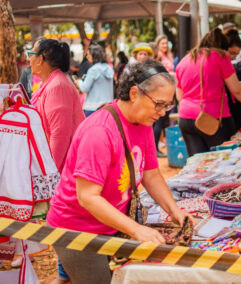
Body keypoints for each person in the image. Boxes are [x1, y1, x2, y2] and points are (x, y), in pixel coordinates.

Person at [46, 60, 195, 284]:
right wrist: (136, 230)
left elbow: (151, 174)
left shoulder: (143, 123)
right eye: (159, 104)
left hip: (111, 223)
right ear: (134, 93)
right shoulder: (99, 132)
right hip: (77, 228)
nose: (162, 113)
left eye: (167, 107)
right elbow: (87, 197)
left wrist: (175, 211)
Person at [176, 28, 241, 156]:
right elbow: (237, 90)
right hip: (214, 118)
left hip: (185, 118)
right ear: (222, 47)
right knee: (224, 160)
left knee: (197, 163)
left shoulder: (185, 60)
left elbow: (179, 96)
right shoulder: (220, 57)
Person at [29, 38, 85, 172]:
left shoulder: (57, 86)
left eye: (31, 54)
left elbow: (59, 136)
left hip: (65, 168)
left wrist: (49, 173)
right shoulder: (51, 82)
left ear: (40, 59)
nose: (28, 59)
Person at [76, 44, 114, 117]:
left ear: (94, 55)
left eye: (88, 55)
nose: (87, 57)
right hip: (108, 107)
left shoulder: (93, 70)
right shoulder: (108, 68)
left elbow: (84, 88)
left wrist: (79, 82)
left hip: (93, 107)